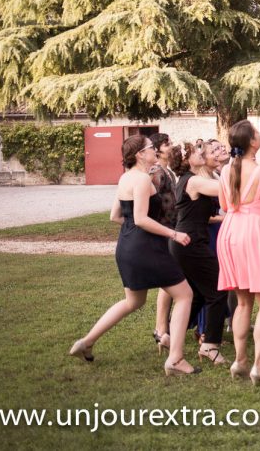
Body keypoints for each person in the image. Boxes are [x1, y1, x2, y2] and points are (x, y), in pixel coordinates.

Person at [68, 135, 199, 376]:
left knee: (133, 302)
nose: (154, 151)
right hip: (146, 247)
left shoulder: (125, 178)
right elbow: (140, 218)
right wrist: (173, 234)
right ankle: (176, 359)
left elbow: (116, 216)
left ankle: (85, 343)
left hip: (127, 245)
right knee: (184, 295)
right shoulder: (140, 179)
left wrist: (135, 234)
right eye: (150, 148)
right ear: (140, 154)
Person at [216, 120, 260, 385]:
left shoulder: (226, 171)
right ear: (252, 142)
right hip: (255, 232)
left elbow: (224, 205)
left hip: (231, 231)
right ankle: (258, 366)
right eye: (257, 133)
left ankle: (239, 359)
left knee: (243, 302)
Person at [170, 141, 228, 365]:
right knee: (217, 291)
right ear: (186, 160)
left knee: (196, 295)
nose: (201, 153)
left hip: (189, 243)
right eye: (196, 152)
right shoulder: (193, 181)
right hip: (190, 244)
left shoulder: (191, 179)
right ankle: (209, 345)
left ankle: (169, 336)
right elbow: (225, 189)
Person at [148, 133, 181, 352]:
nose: (171, 146)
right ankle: (161, 329)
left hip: (172, 228)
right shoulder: (157, 172)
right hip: (163, 230)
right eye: (167, 144)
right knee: (167, 282)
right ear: (158, 150)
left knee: (171, 280)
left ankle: (164, 328)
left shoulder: (168, 170)